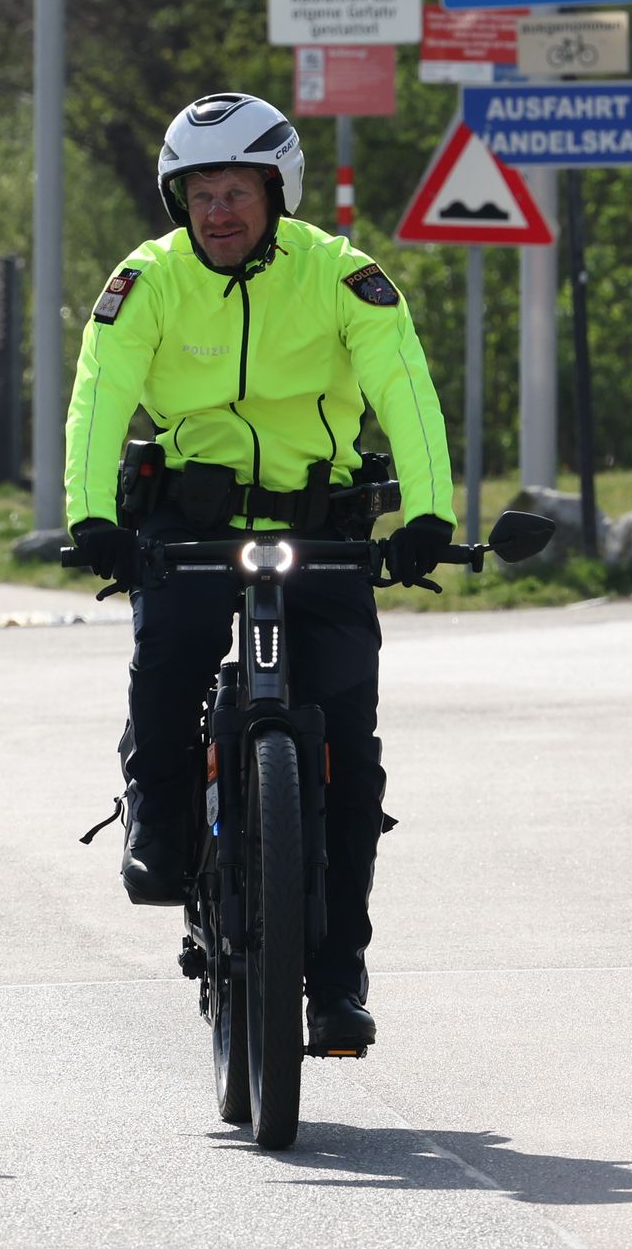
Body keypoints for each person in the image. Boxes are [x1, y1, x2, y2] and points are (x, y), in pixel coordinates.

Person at [61, 91, 458, 1055]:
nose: (219, 211)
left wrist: (432, 512)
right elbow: (101, 392)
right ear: (178, 201)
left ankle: (338, 975)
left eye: (237, 190)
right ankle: (159, 814)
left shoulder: (341, 276)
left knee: (349, 745)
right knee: (168, 666)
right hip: (188, 528)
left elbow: (402, 383)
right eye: (200, 193)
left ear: (278, 194)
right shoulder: (144, 281)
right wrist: (90, 515)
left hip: (317, 526)